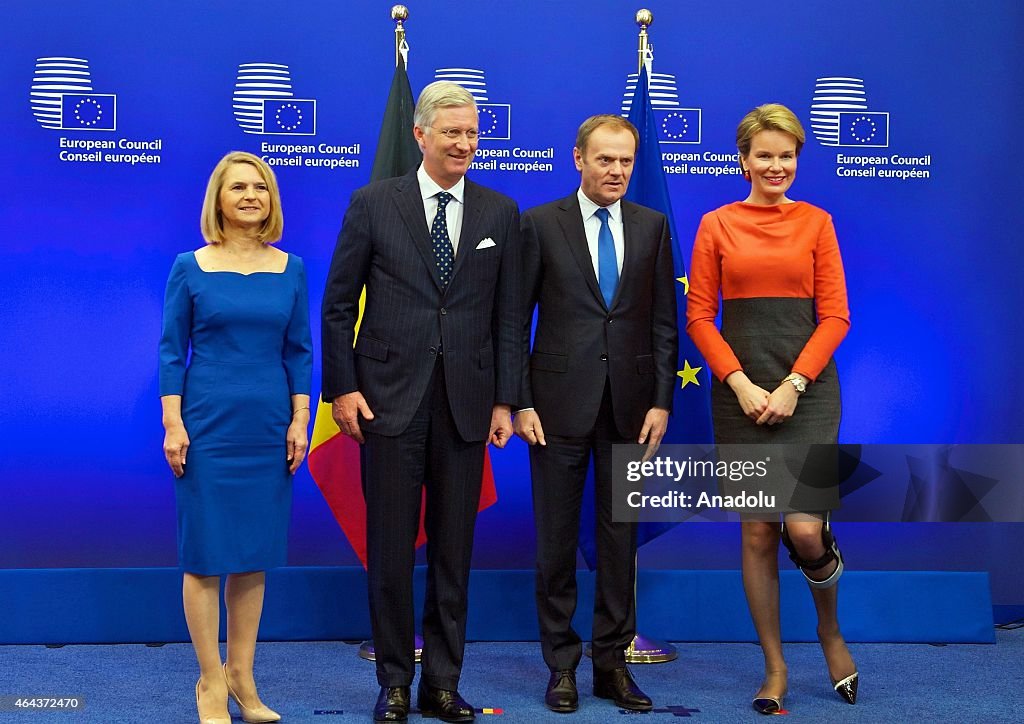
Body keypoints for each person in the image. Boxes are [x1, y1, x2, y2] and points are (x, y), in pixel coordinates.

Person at [321, 81, 520, 724]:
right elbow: (336, 305)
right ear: (421, 135)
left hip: (466, 404)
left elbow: (509, 319)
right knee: (389, 550)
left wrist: (505, 401)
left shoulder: (498, 212)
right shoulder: (374, 203)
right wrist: (343, 388)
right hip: (385, 403)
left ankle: (441, 682)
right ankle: (394, 682)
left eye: (472, 133)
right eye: (452, 133)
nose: (465, 144)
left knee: (454, 552)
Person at [686, 103, 858, 714]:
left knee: (804, 528)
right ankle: (775, 666)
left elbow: (836, 316)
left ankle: (830, 631)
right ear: (744, 159)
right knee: (758, 532)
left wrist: (793, 384)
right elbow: (700, 317)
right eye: (765, 155)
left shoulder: (817, 222)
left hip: (806, 392)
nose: (776, 165)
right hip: (740, 395)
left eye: (787, 155)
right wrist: (738, 382)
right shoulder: (716, 224)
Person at [514, 114, 677, 713]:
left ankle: (613, 665)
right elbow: (514, 319)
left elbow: (664, 323)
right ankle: (561, 665)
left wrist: (662, 399)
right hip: (553, 408)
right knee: (555, 543)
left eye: (626, 161)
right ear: (578, 158)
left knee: (619, 543)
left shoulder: (653, 226)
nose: (616, 171)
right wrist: (520, 398)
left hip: (632, 410)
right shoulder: (538, 224)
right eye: (605, 160)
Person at [159, 151, 312, 724]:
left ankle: (243, 679)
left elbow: (299, 350)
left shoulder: (292, 267)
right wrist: (174, 424)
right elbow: (172, 352)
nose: (251, 196)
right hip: (206, 426)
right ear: (217, 200)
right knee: (204, 556)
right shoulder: (189, 266)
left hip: (268, 427)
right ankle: (208, 681)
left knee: (252, 556)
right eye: (239, 187)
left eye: (261, 188)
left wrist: (300, 420)